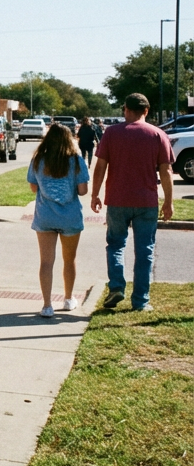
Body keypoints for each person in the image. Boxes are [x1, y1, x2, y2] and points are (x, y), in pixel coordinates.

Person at [90, 93, 174, 311]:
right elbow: (166, 171)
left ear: (125, 109)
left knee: (116, 244)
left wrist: (95, 194)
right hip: (147, 201)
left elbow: (100, 167)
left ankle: (116, 286)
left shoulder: (112, 133)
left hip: (117, 200)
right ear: (146, 111)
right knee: (145, 250)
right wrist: (169, 202)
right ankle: (141, 301)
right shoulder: (158, 134)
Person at [27, 124, 89, 317]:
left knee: (46, 261)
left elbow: (33, 188)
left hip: (45, 215)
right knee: (69, 260)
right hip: (69, 216)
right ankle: (69, 298)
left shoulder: (38, 160)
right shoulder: (76, 160)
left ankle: (47, 305)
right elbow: (82, 190)